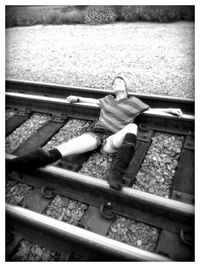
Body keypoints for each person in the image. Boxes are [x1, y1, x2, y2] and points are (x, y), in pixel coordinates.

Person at [6, 76, 182, 190]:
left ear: (127, 86)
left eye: (119, 82)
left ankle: (116, 173)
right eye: (113, 82)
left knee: (132, 128)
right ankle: (17, 164)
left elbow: (153, 110)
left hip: (112, 140)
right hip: (96, 135)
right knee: (61, 149)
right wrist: (78, 98)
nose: (115, 84)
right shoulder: (107, 100)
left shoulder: (135, 103)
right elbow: (93, 100)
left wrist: (170, 110)